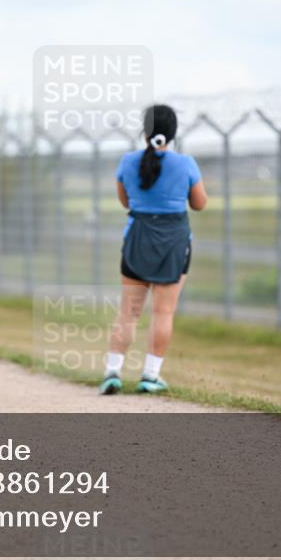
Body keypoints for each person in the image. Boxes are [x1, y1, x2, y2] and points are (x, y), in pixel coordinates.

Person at [101, 104, 207, 394]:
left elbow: (126, 202)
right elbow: (199, 203)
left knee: (128, 312)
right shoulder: (185, 164)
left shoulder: (127, 161)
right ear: (173, 132)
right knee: (163, 313)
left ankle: (112, 372)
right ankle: (150, 376)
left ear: (144, 130)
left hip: (137, 239)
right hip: (173, 244)